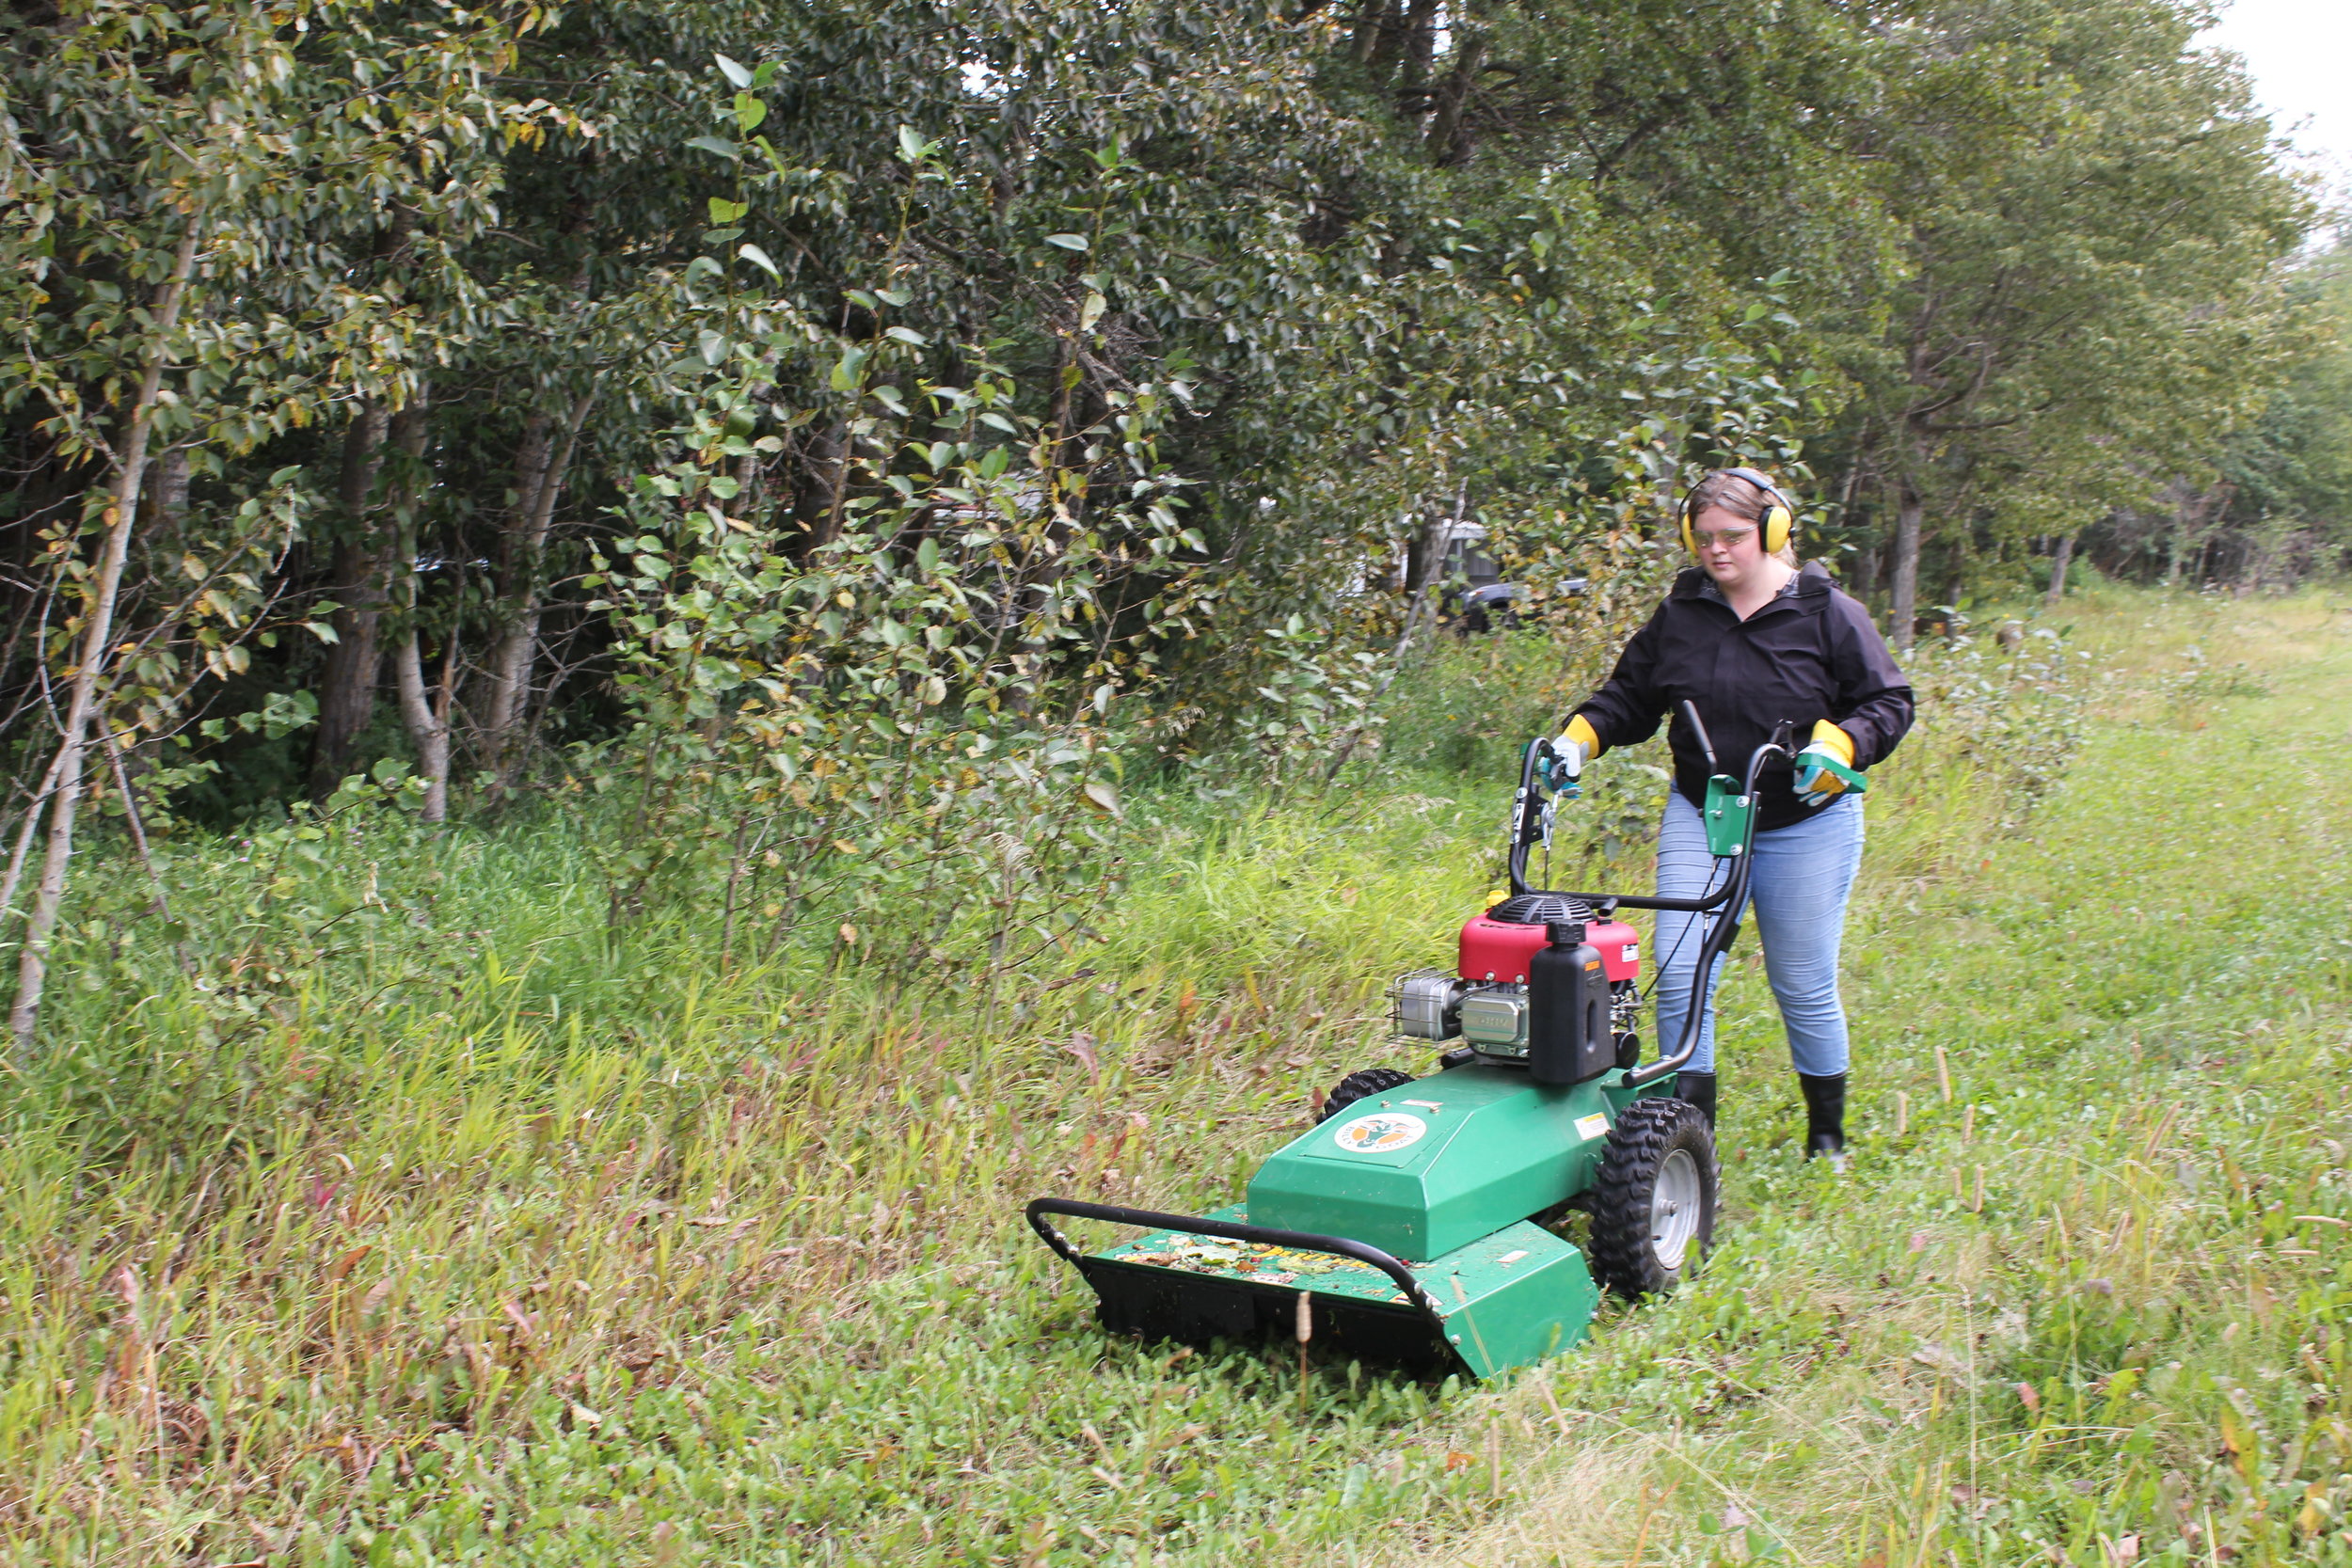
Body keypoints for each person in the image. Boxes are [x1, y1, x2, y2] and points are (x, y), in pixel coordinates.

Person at [1551, 468, 1914, 1163]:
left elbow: (1889, 702)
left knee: (1801, 981)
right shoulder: (1682, 614)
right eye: (1705, 538)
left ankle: (1827, 1141)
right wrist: (1577, 739)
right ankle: (1691, 1146)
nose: (1718, 551)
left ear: (1774, 531)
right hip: (1704, 810)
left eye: (1735, 536)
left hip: (1805, 822)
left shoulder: (1828, 612)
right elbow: (1627, 697)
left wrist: (1838, 744)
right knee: (1680, 970)